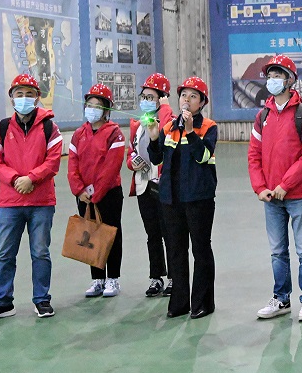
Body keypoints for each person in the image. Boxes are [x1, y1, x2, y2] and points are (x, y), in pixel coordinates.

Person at [0, 74, 63, 322]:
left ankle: (42, 299)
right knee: (5, 254)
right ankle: (3, 302)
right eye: (19, 94)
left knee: (40, 252)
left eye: (29, 94)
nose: (24, 99)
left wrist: (32, 179)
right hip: (10, 203)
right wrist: (16, 179)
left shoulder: (50, 128)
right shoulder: (1, 128)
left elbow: (53, 162)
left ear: (37, 98)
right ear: (12, 98)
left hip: (41, 202)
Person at [249, 55, 302, 322]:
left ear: (290, 80)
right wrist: (260, 187)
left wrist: (285, 185)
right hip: (271, 197)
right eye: (270, 76)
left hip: (298, 195)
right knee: (277, 251)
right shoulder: (262, 116)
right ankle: (281, 298)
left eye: (278, 76)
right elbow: (254, 155)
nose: (273, 80)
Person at [147, 76, 218, 319]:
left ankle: (202, 303)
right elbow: (157, 159)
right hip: (171, 199)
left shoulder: (208, 126)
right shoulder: (169, 127)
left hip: (198, 198)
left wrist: (189, 131)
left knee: (200, 249)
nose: (187, 100)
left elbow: (203, 156)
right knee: (176, 251)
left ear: (202, 102)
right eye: (184, 95)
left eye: (193, 96)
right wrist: (154, 138)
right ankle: (179, 303)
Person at [68, 83, 126, 299]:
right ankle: (98, 279)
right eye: (89, 105)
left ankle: (113, 278)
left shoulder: (115, 134)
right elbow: (72, 164)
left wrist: (97, 193)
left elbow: (111, 167)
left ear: (106, 110)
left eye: (97, 106)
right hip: (84, 195)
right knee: (90, 234)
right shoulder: (78, 134)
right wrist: (79, 190)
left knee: (111, 234)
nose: (92, 109)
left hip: (108, 193)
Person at [127, 73, 175, 298]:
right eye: (143, 97)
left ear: (162, 99)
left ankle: (174, 277)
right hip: (143, 186)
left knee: (169, 233)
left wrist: (165, 108)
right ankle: (156, 277)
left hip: (162, 186)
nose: (145, 101)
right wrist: (132, 162)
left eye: (151, 97)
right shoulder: (137, 125)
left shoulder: (169, 121)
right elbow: (131, 151)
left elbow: (165, 134)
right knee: (152, 234)